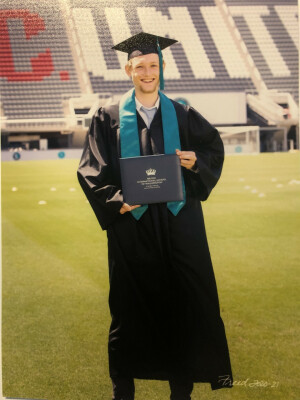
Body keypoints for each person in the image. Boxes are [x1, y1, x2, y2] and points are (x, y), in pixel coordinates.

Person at [77, 32, 233, 400]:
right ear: (127, 68)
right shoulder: (108, 116)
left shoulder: (181, 113)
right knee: (129, 308)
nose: (148, 72)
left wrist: (195, 162)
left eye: (153, 65)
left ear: (162, 67)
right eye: (140, 66)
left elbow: (212, 149)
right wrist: (117, 200)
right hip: (133, 226)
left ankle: (182, 389)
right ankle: (124, 388)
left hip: (181, 226)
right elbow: (90, 170)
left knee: (186, 303)